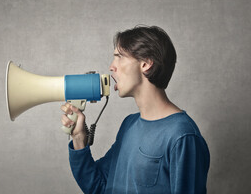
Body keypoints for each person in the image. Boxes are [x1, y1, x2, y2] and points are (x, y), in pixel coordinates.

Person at [61, 25, 210, 194]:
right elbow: (100, 187)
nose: (111, 67)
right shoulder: (129, 124)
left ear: (146, 64)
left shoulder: (182, 136)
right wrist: (79, 139)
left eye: (119, 57)